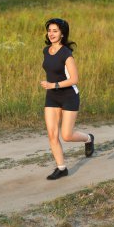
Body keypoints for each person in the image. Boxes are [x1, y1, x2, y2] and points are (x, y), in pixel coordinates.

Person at [40, 18, 94, 180]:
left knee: (67, 135)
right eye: (49, 30)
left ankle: (89, 138)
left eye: (55, 31)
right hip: (52, 97)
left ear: (62, 33)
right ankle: (61, 168)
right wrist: (52, 88)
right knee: (51, 134)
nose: (51, 34)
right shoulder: (46, 50)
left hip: (69, 96)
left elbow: (74, 79)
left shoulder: (66, 53)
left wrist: (53, 85)